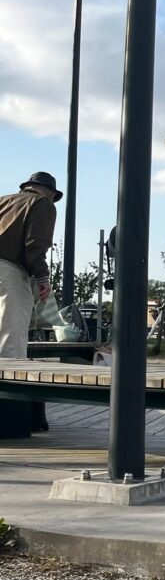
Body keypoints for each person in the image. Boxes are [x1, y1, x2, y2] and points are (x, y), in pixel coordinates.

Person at [0, 172, 59, 432]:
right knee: (11, 343)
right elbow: (36, 245)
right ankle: (10, 418)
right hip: (10, 271)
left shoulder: (4, 201)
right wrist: (42, 279)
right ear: (50, 193)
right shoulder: (42, 204)